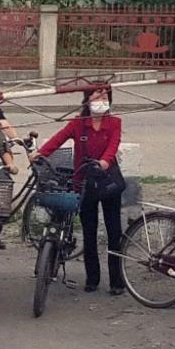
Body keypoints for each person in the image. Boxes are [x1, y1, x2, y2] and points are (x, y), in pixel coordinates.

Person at [37, 81, 125, 295]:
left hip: (107, 182)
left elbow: (114, 145)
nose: (102, 100)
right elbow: (58, 139)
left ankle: (117, 281)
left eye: (106, 97)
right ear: (87, 99)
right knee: (89, 231)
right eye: (97, 96)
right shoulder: (78, 123)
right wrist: (40, 154)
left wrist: (104, 161)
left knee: (114, 232)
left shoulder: (114, 122)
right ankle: (92, 278)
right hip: (84, 184)